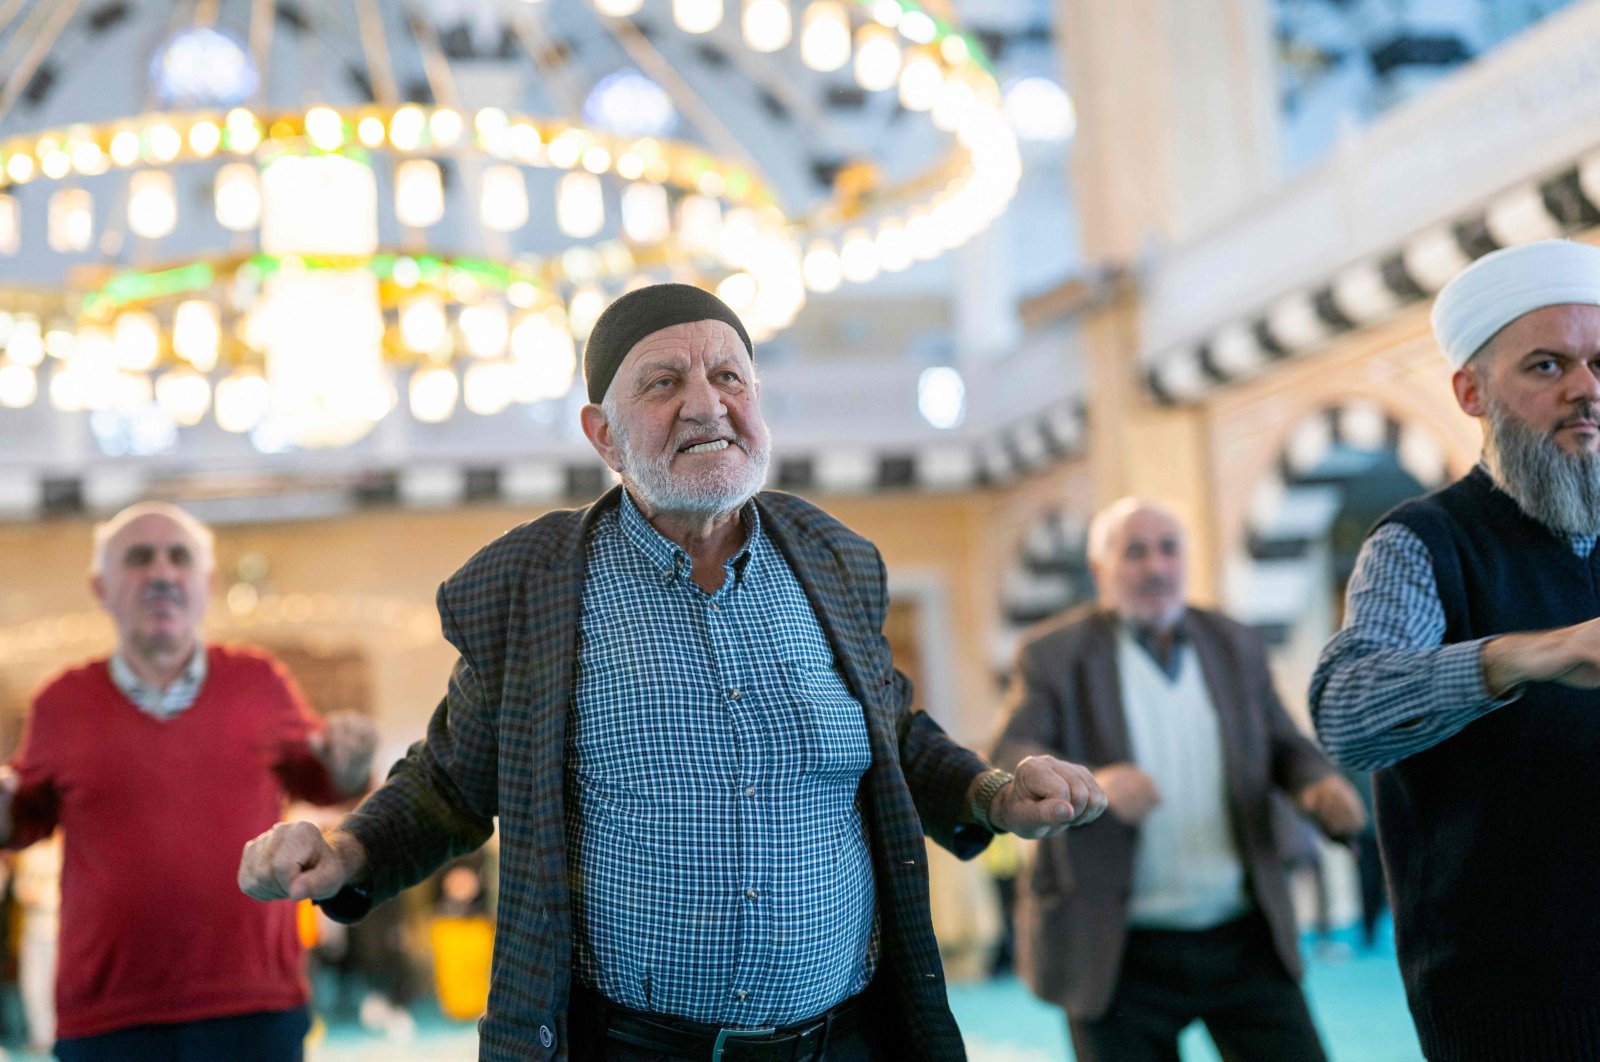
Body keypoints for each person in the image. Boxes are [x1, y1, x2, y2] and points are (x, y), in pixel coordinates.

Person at [238, 283, 1108, 1062]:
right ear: (603, 434)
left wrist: (994, 792)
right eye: (663, 383)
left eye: (730, 378)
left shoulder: (835, 561)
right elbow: (448, 786)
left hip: (845, 1038)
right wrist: (349, 849)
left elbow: (898, 736)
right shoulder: (534, 587)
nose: (707, 406)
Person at [1310, 237, 1600, 1060]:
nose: (1585, 389)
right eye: (1547, 366)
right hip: (1510, 1005)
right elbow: (1347, 709)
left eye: (1598, 363)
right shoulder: (1422, 543)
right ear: (1471, 391)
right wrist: (1521, 657)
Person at [0, 501, 377, 1062]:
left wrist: (350, 760)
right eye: (139, 557)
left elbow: (328, 783)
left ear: (207, 583)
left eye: (179, 557)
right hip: (107, 1016)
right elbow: (21, 821)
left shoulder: (258, 681)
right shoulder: (61, 701)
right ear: (101, 587)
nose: (160, 572)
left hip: (254, 1007)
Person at [992, 498, 1365, 1062]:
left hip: (1243, 933)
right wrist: (1093, 783)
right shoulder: (1052, 656)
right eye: (1134, 552)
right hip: (1116, 948)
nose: (1155, 567)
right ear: (1100, 572)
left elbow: (1286, 745)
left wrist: (1317, 785)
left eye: (1168, 549)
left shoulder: (1234, 643)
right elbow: (1010, 752)